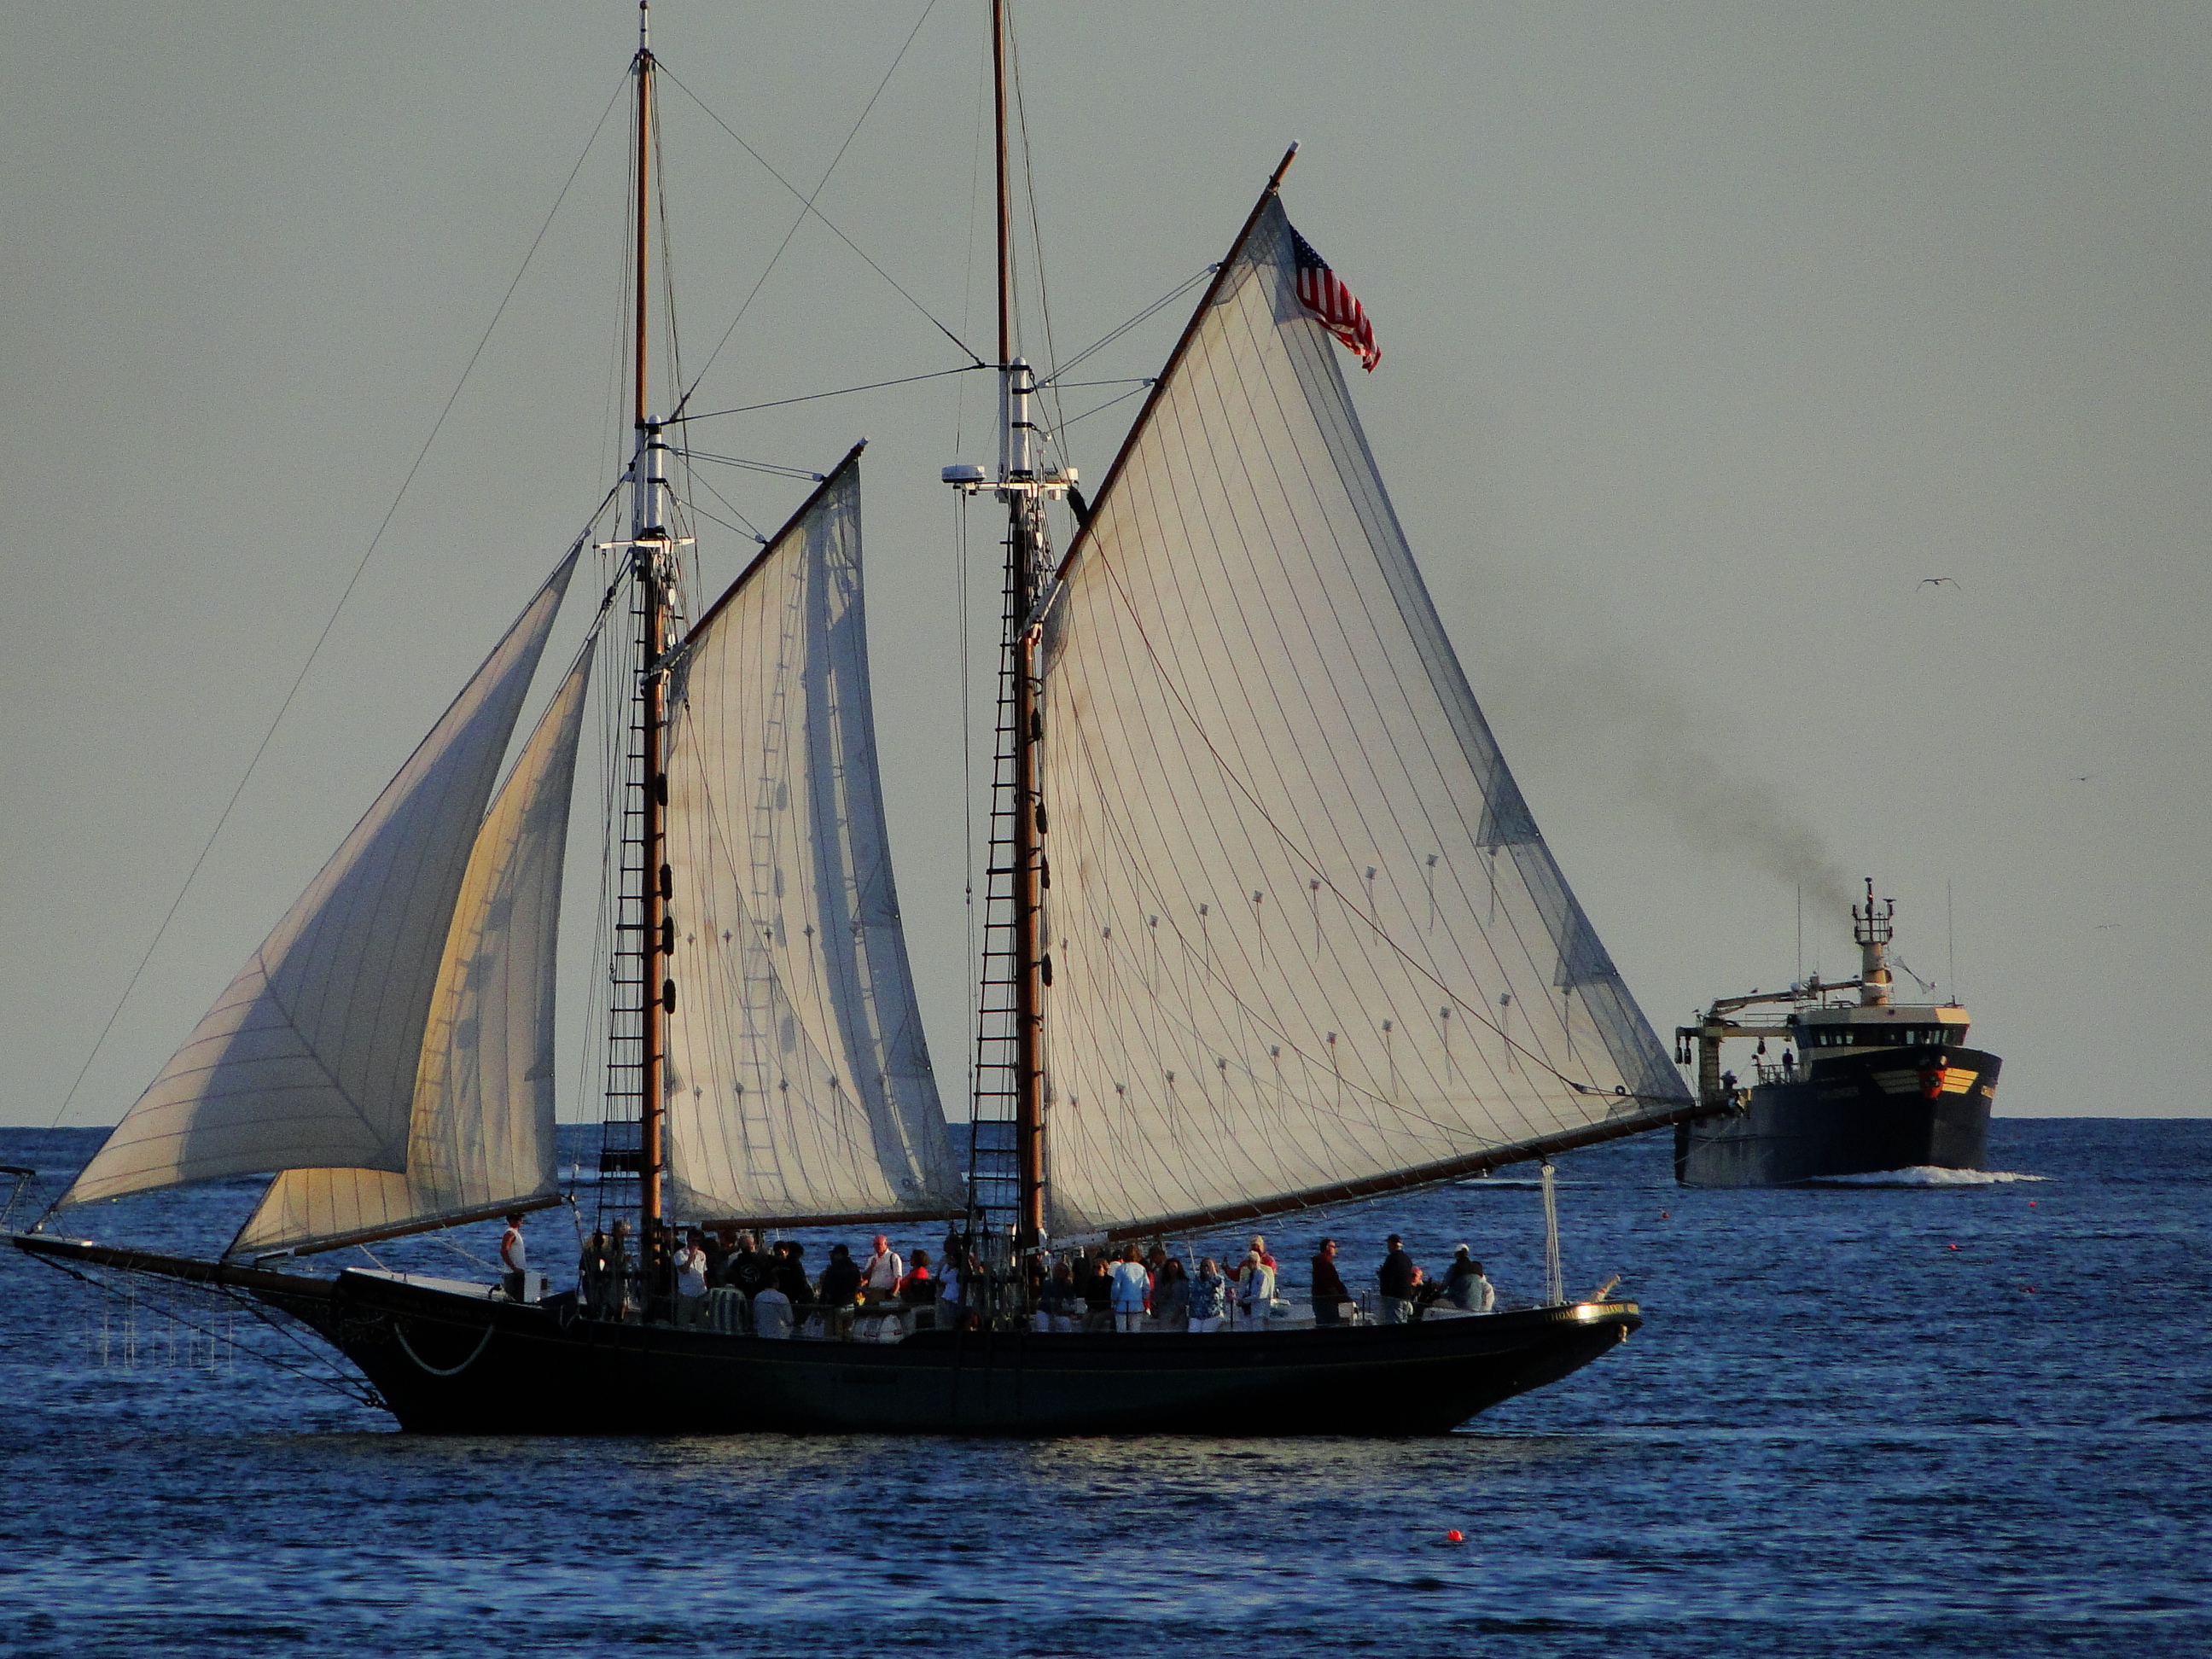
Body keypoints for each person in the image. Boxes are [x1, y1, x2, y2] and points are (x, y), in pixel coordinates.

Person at [819, 1243, 863, 1336]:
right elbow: (858, 1284)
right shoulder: (854, 1267)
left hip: (836, 1306)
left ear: (839, 1254)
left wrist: (821, 1305)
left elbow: (827, 1289)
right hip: (850, 1304)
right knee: (848, 1332)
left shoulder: (833, 1269)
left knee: (834, 1334)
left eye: (834, 1254)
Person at [1109, 1244, 1152, 1334]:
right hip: (1137, 1305)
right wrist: (1143, 1297)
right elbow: (1147, 1287)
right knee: (1135, 1331)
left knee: (1121, 1331)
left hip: (1122, 1306)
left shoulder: (1121, 1269)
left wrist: (1114, 1300)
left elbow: (1116, 1287)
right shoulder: (1142, 1268)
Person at [1310, 1237, 1353, 1326]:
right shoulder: (1324, 1263)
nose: (1335, 1249)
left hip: (1323, 1300)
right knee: (1331, 1324)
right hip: (1326, 1301)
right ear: (1327, 1248)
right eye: (1333, 1247)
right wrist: (1340, 1297)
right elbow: (1328, 1283)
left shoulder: (1322, 1262)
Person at [1377, 1234, 1418, 1324]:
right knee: (1403, 1320)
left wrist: (1384, 1291)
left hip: (1394, 1297)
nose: (1388, 1246)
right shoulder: (1407, 1258)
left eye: (1389, 1244)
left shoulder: (1392, 1258)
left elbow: (1388, 1277)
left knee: (1394, 1322)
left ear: (1393, 1244)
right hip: (1406, 1295)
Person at [672, 1230, 710, 1328]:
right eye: (693, 1241)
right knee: (683, 1322)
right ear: (688, 1240)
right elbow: (684, 1270)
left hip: (701, 1293)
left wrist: (706, 1290)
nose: (695, 1244)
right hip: (687, 1293)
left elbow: (703, 1273)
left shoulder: (702, 1255)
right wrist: (691, 1256)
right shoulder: (680, 1254)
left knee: (703, 1322)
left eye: (698, 1241)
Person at [1442, 1246, 1494, 1313]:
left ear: (1456, 1255)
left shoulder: (1454, 1268)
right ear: (1467, 1253)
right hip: (1477, 1305)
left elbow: (1444, 1285)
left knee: (1435, 1302)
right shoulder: (1477, 1268)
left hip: (1460, 1305)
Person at [860, 1234, 905, 1305]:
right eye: (875, 1244)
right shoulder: (872, 1259)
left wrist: (893, 1294)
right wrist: (872, 1266)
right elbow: (865, 1277)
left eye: (879, 1244)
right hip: (872, 1292)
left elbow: (898, 1279)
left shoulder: (893, 1257)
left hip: (886, 1292)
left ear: (885, 1244)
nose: (877, 1247)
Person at [1187, 1258, 1227, 1334]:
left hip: (1212, 1314)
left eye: (1207, 1266)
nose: (1205, 1268)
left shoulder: (1218, 1280)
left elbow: (1220, 1292)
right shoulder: (1196, 1279)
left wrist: (1212, 1273)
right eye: (1203, 1266)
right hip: (1196, 1314)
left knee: (1206, 1330)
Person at [1152, 1255, 1191, 1332]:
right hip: (1164, 1313)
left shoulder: (1184, 1281)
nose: (1172, 1269)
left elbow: (1185, 1300)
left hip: (1179, 1314)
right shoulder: (1161, 1281)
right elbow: (1156, 1296)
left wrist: (1177, 1315)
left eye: (1174, 1267)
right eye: (1170, 1267)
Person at [578, 1229, 610, 1318]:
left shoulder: (603, 1254)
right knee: (594, 1301)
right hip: (591, 1281)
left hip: (599, 1282)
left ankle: (597, 1312)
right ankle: (595, 1312)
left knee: (599, 1300)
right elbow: (582, 1267)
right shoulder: (588, 1253)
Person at [499, 1212, 529, 1302]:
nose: (519, 1221)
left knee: (520, 1298)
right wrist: (514, 1268)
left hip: (518, 1272)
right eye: (517, 1219)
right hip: (513, 1274)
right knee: (512, 1299)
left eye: (520, 1219)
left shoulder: (516, 1233)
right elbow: (504, 1251)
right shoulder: (510, 1233)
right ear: (510, 1221)